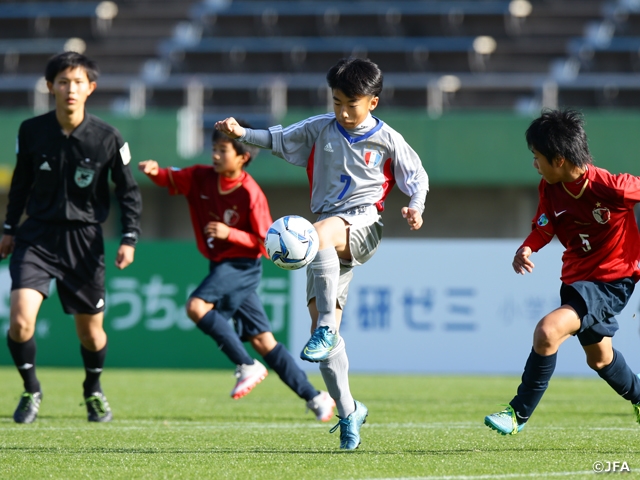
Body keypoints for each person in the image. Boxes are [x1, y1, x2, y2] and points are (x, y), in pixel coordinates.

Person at [215, 57, 429, 450]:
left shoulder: (387, 138)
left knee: (318, 237)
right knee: (322, 338)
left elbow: (416, 176)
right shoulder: (320, 128)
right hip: (326, 240)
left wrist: (415, 206)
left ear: (373, 103)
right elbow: (279, 140)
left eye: (353, 103)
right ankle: (349, 412)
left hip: (364, 225)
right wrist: (242, 132)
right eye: (337, 102)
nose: (344, 111)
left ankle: (328, 326)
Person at [138, 122, 335, 422]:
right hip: (222, 265)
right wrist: (155, 172)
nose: (215, 155)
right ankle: (315, 396)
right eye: (214, 149)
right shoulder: (201, 177)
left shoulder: (250, 193)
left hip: (243, 266)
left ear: (243, 157)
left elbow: (265, 243)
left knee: (196, 306)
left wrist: (230, 234)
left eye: (222, 150)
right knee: (264, 342)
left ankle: (246, 365)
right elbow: (171, 178)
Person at [0, 51, 142, 424]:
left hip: (84, 243)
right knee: (19, 322)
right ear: (50, 87)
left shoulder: (108, 137)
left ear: (90, 88)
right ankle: (31, 389)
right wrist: (9, 228)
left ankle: (93, 390)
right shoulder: (31, 131)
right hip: (37, 238)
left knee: (91, 335)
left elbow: (128, 191)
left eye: (78, 82)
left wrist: (129, 236)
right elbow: (20, 184)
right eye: (63, 82)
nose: (70, 89)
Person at [484, 109, 640, 435]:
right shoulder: (549, 187)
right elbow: (544, 226)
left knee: (547, 331)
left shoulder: (612, 188)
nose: (534, 164)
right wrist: (527, 247)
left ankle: (517, 413)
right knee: (600, 359)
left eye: (537, 157)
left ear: (559, 159)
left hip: (612, 281)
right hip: (576, 281)